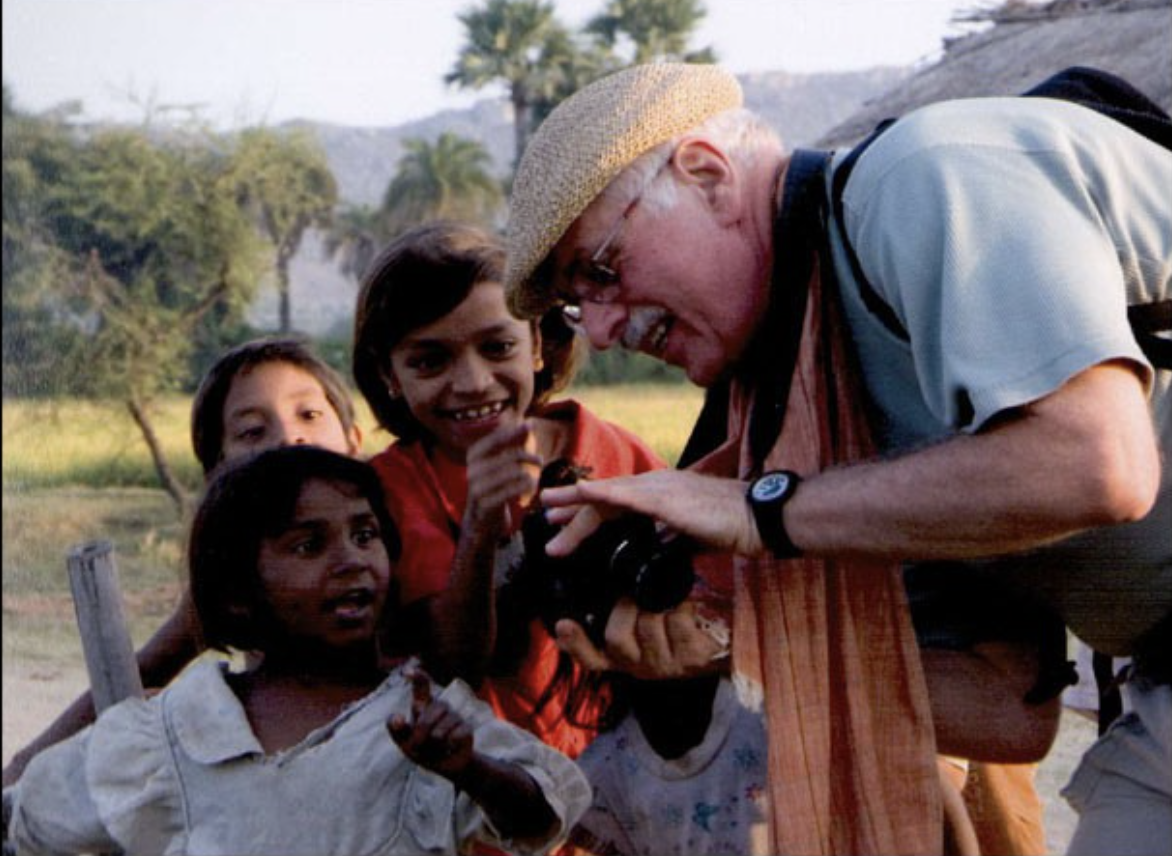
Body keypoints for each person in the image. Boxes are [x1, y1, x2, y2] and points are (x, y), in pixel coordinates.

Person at [502, 63, 1170, 855]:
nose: (604, 330)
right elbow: (1006, 707)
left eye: (603, 270)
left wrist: (764, 508)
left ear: (709, 175)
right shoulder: (824, 389)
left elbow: (1099, 464)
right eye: (583, 306)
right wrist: (726, 643)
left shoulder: (924, 178)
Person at [4, 445, 590, 855]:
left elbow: (543, 817)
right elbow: (30, 818)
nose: (352, 560)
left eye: (365, 535)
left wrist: (472, 772)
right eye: (309, 545)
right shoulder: (169, 736)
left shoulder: (419, 723)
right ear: (236, 596)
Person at [352, 221, 691, 761]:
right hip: (476, 803)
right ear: (388, 374)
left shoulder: (613, 454)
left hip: (624, 790)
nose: (472, 382)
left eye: (497, 346)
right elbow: (452, 665)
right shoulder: (388, 490)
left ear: (536, 342)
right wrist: (481, 527)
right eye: (429, 360)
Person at [2, 336, 364, 788]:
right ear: (219, 472)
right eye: (253, 431)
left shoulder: (388, 541)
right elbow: (146, 667)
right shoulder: (239, 580)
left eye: (308, 414)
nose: (289, 437)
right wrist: (20, 770)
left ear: (354, 439)